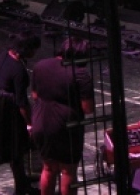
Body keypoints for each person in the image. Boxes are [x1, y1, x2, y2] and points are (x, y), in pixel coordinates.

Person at [31, 37, 94, 195]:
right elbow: (87, 108)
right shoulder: (80, 74)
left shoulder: (41, 65)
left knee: (48, 167)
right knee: (68, 171)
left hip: (41, 121)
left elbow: (34, 95)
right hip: (66, 126)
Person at [0, 32, 41, 195]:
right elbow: (21, 102)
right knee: (17, 147)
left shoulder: (4, 56)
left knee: (14, 149)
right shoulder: (18, 70)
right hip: (9, 108)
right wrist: (30, 123)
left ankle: (22, 181)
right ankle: (21, 186)